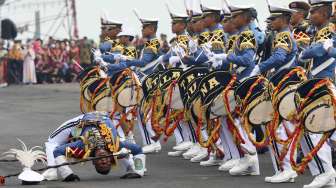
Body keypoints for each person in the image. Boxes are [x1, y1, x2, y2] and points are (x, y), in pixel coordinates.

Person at [42, 111, 146, 181]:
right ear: (110, 158)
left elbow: (57, 151)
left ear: (93, 161)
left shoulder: (82, 148)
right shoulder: (116, 145)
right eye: (106, 162)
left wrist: (67, 174)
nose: (103, 160)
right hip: (105, 115)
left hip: (83, 120)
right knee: (122, 148)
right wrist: (138, 172)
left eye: (101, 163)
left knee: (51, 141)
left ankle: (52, 170)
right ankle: (130, 165)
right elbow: (138, 150)